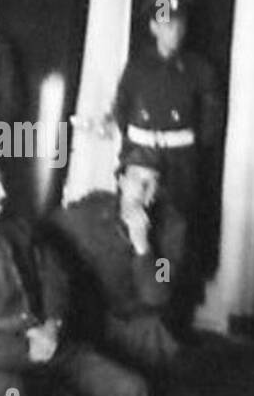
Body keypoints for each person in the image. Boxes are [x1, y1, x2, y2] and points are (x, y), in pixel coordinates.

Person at [0, 159, 157, 396]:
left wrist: (52, 323)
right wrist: (27, 348)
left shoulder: (17, 229)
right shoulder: (88, 212)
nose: (3, 193)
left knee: (128, 388)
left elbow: (55, 277)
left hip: (51, 340)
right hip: (5, 357)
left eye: (2, 182)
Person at [111, 0, 222, 326]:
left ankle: (173, 319)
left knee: (177, 235)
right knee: (136, 228)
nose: (175, 31)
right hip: (141, 159)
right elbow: (122, 109)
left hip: (180, 165)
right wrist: (136, 153)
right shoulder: (137, 67)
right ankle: (134, 312)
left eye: (180, 24)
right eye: (167, 24)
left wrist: (185, 146)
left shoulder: (199, 68)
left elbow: (211, 120)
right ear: (153, 27)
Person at [47, 142, 185, 377]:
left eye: (151, 182)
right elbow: (47, 228)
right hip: (93, 318)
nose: (142, 189)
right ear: (120, 181)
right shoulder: (93, 210)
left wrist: (143, 246)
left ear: (159, 189)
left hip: (138, 324)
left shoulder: (172, 227)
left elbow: (157, 295)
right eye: (135, 178)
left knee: (153, 338)